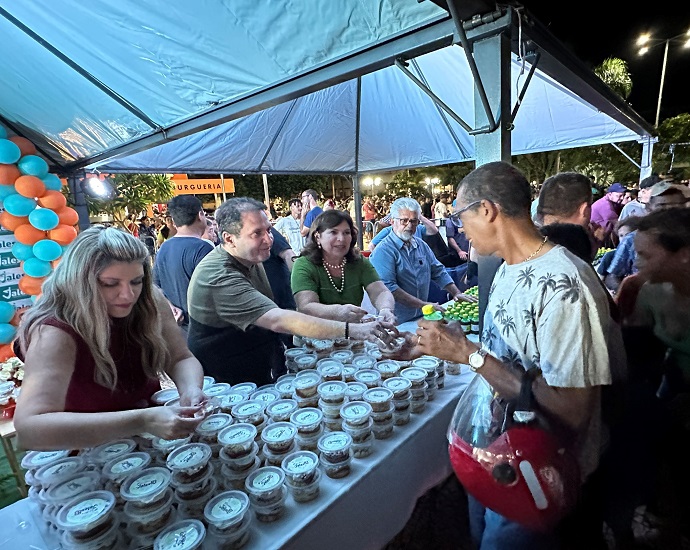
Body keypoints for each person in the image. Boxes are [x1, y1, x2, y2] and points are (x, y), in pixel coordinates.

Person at [408, 162, 614, 549]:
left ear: (486, 210)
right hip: (497, 454)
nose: (459, 226)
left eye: (459, 214)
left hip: (538, 470)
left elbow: (571, 408)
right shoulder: (508, 268)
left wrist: (469, 354)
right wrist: (447, 345)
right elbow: (508, 355)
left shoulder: (565, 284)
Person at [12, 226, 206, 451]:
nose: (128, 295)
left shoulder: (148, 300)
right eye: (110, 284)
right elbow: (29, 430)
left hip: (148, 444)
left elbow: (180, 358)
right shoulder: (55, 331)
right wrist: (141, 420)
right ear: (80, 281)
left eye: (136, 281)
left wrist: (191, 389)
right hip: (86, 454)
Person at [187, 198, 395, 386]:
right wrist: (353, 330)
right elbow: (279, 319)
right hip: (223, 366)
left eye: (269, 230)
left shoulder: (249, 256)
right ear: (229, 239)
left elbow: (379, 290)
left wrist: (383, 309)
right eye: (257, 234)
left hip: (254, 352)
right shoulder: (219, 275)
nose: (269, 240)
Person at [369, 197, 473, 324]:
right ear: (392, 221)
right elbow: (390, 288)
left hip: (421, 317)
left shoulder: (421, 245)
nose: (409, 225)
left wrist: (456, 293)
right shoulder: (384, 251)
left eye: (414, 221)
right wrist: (423, 305)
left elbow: (438, 271)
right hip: (395, 321)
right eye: (404, 221)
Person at [291, 210, 396, 324]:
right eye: (333, 232)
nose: (341, 238)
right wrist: (338, 312)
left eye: (346, 232)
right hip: (314, 335)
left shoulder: (358, 261)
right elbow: (306, 306)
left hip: (353, 336)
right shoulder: (304, 264)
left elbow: (380, 291)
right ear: (317, 237)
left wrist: (385, 309)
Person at [153, 196, 213, 336]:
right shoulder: (204, 249)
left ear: (173, 222)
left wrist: (170, 306)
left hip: (180, 332)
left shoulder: (164, 248)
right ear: (200, 215)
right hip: (206, 332)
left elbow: (155, 285)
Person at [590, 182, 627, 248]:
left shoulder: (613, 203)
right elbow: (617, 222)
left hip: (603, 236)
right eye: (619, 196)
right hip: (597, 238)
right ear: (610, 194)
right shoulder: (604, 204)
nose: (622, 198)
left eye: (623, 195)